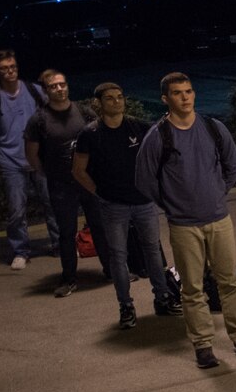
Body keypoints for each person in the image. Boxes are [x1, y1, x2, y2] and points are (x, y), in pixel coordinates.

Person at [134, 72, 236, 369]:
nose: (186, 97)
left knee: (229, 281)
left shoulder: (212, 127)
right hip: (183, 225)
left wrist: (218, 192)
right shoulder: (158, 135)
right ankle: (203, 345)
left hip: (218, 218)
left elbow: (233, 164)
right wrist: (171, 204)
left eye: (189, 91)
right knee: (192, 288)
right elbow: (144, 180)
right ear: (165, 99)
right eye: (178, 93)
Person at [72, 81, 176, 328]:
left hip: (143, 202)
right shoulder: (90, 134)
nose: (116, 102)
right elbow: (78, 170)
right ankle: (126, 306)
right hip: (113, 206)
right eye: (110, 98)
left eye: (120, 97)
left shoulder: (138, 127)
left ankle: (163, 298)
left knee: (152, 250)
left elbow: (160, 156)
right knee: (118, 256)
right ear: (98, 103)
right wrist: (100, 193)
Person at [24, 71, 98, 298]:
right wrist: (47, 173)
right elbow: (32, 154)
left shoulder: (83, 111)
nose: (59, 89)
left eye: (62, 84)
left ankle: (112, 271)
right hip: (61, 186)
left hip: (87, 181)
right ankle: (69, 279)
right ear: (46, 91)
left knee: (100, 227)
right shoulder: (38, 120)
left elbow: (99, 137)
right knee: (66, 233)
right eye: (53, 86)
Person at [0, 50, 49, 268]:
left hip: (39, 158)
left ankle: (60, 244)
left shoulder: (33, 91)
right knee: (17, 209)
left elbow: (53, 114)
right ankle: (21, 250)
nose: (10, 71)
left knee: (52, 202)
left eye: (13, 67)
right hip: (10, 160)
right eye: (4, 68)